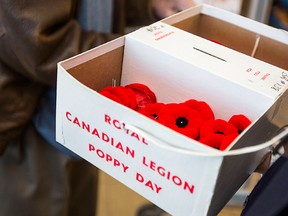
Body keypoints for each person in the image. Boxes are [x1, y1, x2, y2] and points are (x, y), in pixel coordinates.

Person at [0, 1, 195, 216]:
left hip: (86, 113)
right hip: (27, 118)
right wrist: (139, 50)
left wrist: (147, 6)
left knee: (79, 202)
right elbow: (37, 44)